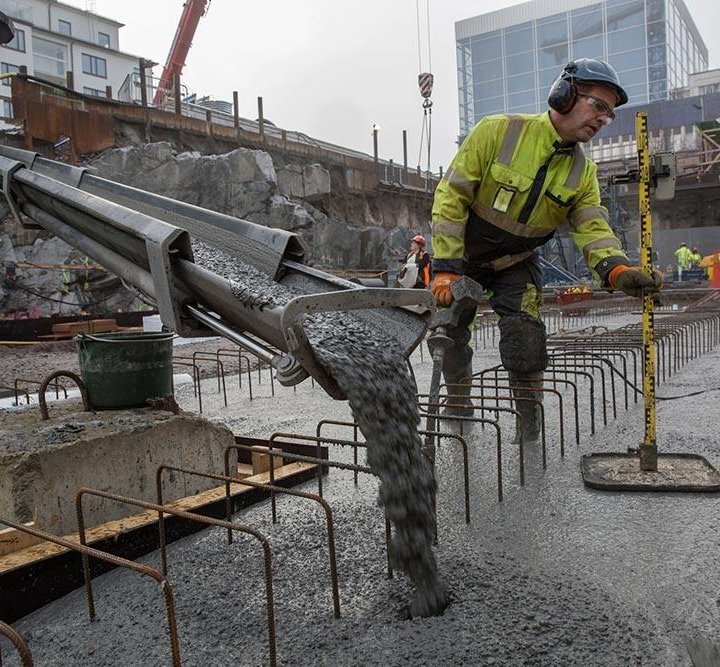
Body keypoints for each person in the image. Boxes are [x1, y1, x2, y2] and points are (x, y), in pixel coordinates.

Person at [429, 58, 662, 443]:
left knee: (525, 335)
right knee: (451, 336)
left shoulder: (582, 172)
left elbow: (592, 226)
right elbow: (451, 197)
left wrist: (616, 270)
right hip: (462, 260)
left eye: (610, 114)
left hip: (515, 264)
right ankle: (459, 404)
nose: (604, 119)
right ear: (565, 94)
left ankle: (528, 426)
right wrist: (446, 267)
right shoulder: (498, 132)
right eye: (599, 107)